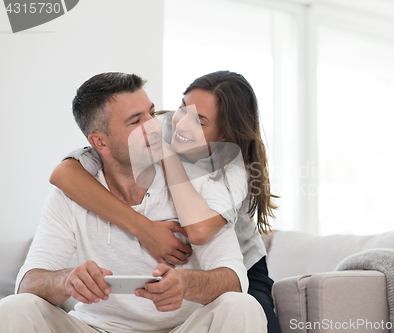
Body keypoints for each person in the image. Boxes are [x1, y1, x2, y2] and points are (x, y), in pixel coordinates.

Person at [0, 72, 267, 333]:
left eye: (152, 113)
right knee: (15, 307)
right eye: (135, 121)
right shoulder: (73, 189)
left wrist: (186, 284)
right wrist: (65, 280)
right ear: (99, 142)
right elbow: (27, 283)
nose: (153, 126)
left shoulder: (202, 179)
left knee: (242, 306)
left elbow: (233, 278)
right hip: (96, 327)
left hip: (182, 326)